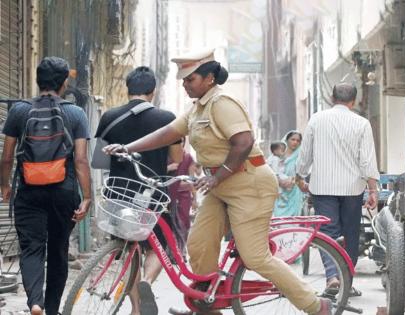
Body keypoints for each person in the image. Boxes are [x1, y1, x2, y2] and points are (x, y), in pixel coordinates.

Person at [104, 48, 332, 315]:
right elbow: (168, 133)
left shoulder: (222, 103)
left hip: (250, 184)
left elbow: (244, 142)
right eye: (184, 80)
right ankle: (206, 303)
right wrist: (128, 148)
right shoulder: (199, 108)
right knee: (199, 245)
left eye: (190, 79)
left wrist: (217, 176)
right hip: (221, 186)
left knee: (255, 256)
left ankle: (315, 305)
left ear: (209, 78)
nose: (185, 84)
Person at [0, 57, 91, 315]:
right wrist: (87, 197)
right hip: (64, 191)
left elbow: (7, 156)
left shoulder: (19, 110)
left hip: (29, 190)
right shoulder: (76, 113)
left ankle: (35, 303)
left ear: (38, 80)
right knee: (59, 250)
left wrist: (5, 186)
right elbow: (81, 159)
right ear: (64, 83)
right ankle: (51, 309)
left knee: (31, 248)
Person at [94, 66, 182, 315]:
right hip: (152, 194)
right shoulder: (167, 118)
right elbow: (176, 158)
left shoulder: (109, 116)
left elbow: (99, 161)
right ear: (152, 91)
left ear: (128, 88)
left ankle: (135, 309)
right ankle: (147, 281)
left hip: (119, 193)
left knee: (128, 248)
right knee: (157, 247)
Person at [296, 83, 380, 296]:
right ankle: (347, 282)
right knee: (350, 233)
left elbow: (305, 155)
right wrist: (373, 190)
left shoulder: (316, 119)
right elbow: (368, 161)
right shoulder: (361, 123)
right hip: (352, 188)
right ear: (353, 101)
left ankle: (333, 277)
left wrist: (300, 176)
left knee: (328, 232)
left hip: (322, 187)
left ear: (332, 98)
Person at [167, 137, 197, 258]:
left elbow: (192, 179)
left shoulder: (188, 158)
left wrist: (194, 198)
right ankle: (171, 252)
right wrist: (168, 168)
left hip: (184, 195)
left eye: (181, 141)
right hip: (168, 194)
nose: (179, 144)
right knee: (170, 223)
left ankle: (181, 252)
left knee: (183, 223)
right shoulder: (166, 157)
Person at [273, 130, 305, 217]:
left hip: (294, 192)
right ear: (287, 140)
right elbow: (271, 171)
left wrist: (292, 180)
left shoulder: (300, 157)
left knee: (293, 221)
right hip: (279, 192)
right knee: (279, 220)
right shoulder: (277, 155)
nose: (295, 142)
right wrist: (280, 181)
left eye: (298, 141)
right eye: (293, 139)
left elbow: (302, 175)